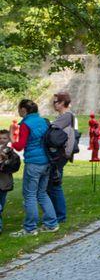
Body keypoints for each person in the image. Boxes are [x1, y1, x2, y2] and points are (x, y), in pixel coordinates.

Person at [9, 99, 58, 236]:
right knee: (42, 193)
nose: (18, 111)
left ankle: (30, 228)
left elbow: (20, 146)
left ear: (24, 110)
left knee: (29, 195)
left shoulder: (26, 124)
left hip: (34, 163)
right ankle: (51, 224)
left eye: (19, 109)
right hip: (47, 162)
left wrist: (12, 138)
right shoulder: (43, 121)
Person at [47, 91, 77, 225]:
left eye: (56, 102)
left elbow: (51, 129)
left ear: (63, 103)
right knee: (52, 186)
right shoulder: (64, 116)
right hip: (60, 155)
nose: (54, 104)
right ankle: (57, 214)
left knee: (55, 185)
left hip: (60, 155)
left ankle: (60, 216)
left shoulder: (67, 116)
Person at [0, 129, 12, 235]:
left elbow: (13, 166)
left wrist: (5, 161)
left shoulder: (10, 151)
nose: (2, 140)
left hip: (4, 183)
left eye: (4, 138)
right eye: (0, 138)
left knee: (1, 205)